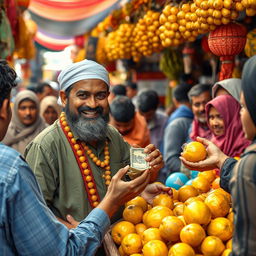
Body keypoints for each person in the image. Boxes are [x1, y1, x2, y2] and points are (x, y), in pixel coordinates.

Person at [0, 60, 168, 256]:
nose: (92, 104)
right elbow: (32, 218)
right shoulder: (45, 147)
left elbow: (125, 186)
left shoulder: (113, 136)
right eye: (83, 95)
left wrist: (144, 187)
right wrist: (76, 230)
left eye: (100, 96)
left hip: (122, 245)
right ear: (64, 97)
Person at [180, 55, 256, 256]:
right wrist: (222, 161)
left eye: (244, 107)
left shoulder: (250, 160)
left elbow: (246, 244)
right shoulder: (207, 141)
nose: (241, 114)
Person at [160, 83, 193, 180]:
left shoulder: (196, 119)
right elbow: (170, 159)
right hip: (180, 180)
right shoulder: (177, 123)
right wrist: (191, 173)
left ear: (175, 100)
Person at [2, 90, 47, 155]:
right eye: (23, 108)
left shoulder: (46, 131)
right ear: (15, 110)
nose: (28, 113)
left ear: (38, 109)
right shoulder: (5, 133)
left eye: (32, 108)